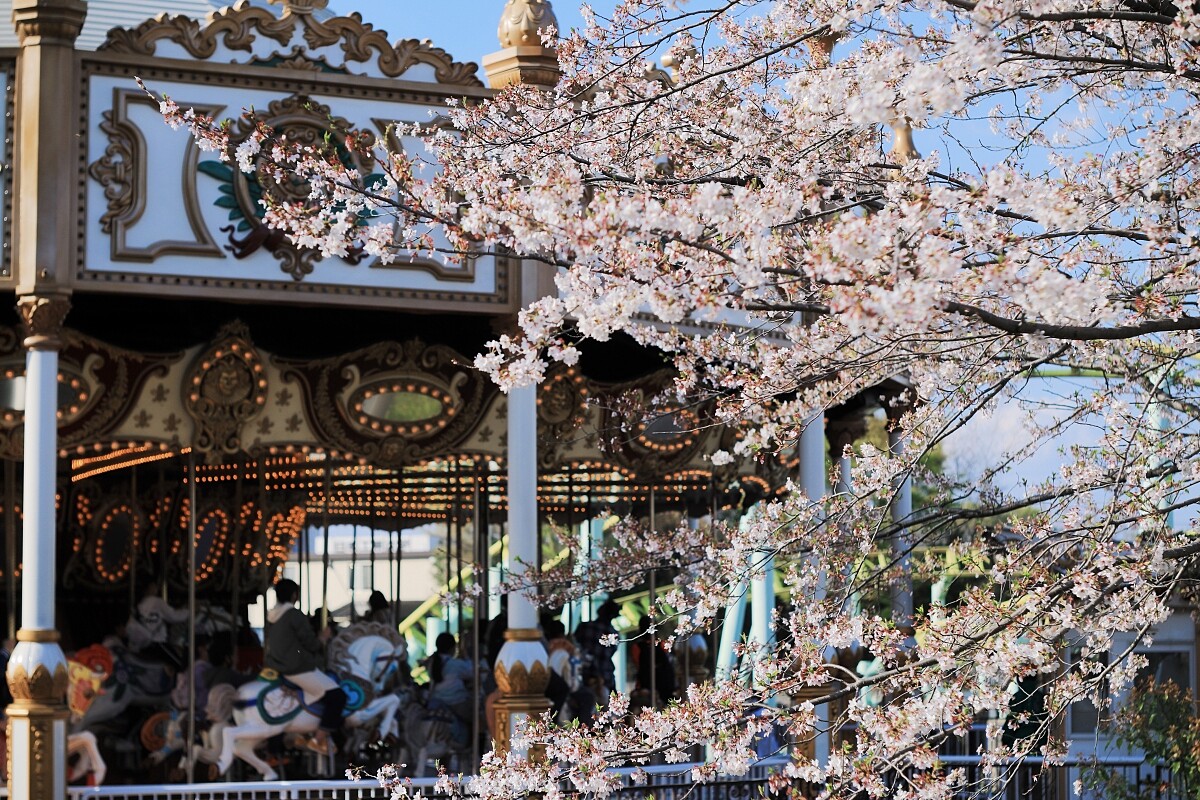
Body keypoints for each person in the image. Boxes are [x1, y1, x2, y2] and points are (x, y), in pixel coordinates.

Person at [264, 579, 346, 756]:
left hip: (279, 667)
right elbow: (310, 643)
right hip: (298, 669)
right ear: (294, 595)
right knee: (338, 697)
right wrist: (323, 638)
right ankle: (318, 739)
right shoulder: (294, 615)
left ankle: (302, 733)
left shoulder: (272, 616)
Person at [426, 632, 474, 745]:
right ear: (452, 648)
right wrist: (466, 654)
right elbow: (472, 672)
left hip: (436, 699)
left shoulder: (432, 662)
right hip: (455, 702)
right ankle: (473, 745)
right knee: (478, 716)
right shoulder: (454, 664)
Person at [128, 580, 189, 669]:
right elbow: (174, 616)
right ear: (150, 587)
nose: (157, 588)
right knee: (180, 664)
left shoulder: (139, 605)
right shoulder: (157, 602)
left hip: (144, 646)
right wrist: (190, 611)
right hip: (158, 643)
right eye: (155, 586)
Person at [544, 619, 595, 724]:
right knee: (587, 697)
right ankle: (583, 726)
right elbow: (571, 678)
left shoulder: (547, 648)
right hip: (561, 689)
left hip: (552, 687)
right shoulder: (564, 651)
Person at [574, 599, 621, 702]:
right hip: (605, 675)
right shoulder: (614, 634)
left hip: (583, 672)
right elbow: (611, 652)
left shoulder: (584, 626)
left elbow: (575, 645)